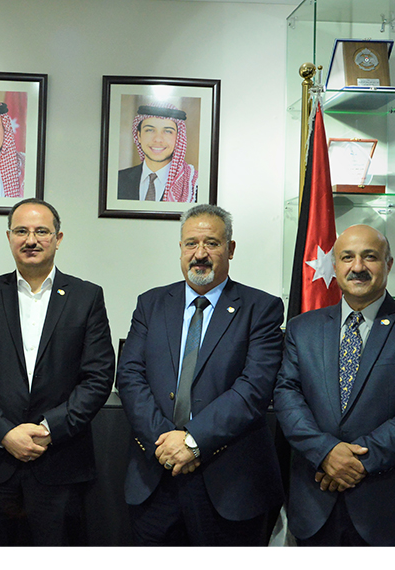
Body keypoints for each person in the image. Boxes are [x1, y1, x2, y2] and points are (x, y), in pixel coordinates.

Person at [115, 204, 284, 545]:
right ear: (181, 248)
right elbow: (130, 376)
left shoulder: (261, 309)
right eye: (191, 243)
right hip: (156, 475)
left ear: (230, 249)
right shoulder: (151, 304)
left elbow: (254, 389)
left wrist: (192, 441)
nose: (200, 254)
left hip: (229, 483)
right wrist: (166, 442)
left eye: (212, 243)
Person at [0, 198, 115, 545]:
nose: (31, 240)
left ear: (58, 238)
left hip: (60, 463)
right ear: (9, 237)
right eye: (21, 231)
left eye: (42, 231)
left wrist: (48, 429)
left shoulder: (87, 297)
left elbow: (98, 378)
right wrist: (5, 433)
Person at [274, 224, 395, 546]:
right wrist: (325, 451)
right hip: (315, 501)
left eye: (370, 257)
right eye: (347, 257)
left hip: (389, 507)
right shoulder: (302, 328)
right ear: (335, 265)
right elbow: (287, 395)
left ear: (388, 264)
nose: (358, 267)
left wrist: (356, 461)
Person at [117, 103, 198, 203]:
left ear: (178, 138)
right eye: (150, 130)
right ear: (139, 136)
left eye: (168, 131)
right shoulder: (117, 180)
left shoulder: (193, 186)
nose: (158, 139)